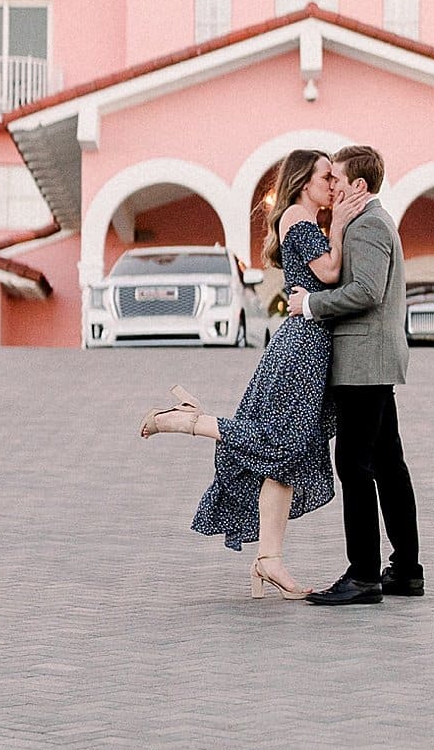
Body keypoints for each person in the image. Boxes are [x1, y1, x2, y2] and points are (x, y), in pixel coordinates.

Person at [138, 150, 357, 600]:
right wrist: (339, 225)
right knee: (282, 442)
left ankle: (269, 561)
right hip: (301, 348)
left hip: (308, 346)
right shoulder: (299, 216)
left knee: (286, 456)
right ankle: (185, 421)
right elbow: (330, 272)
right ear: (302, 181)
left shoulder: (303, 220)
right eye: (325, 176)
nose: (331, 184)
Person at [287, 145, 423, 605]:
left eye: (338, 180)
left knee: (354, 466)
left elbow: (365, 291)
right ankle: (406, 570)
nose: (334, 188)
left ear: (358, 186)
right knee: (388, 466)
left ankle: (364, 574)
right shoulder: (375, 222)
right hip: (373, 360)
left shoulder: (367, 225)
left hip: (363, 362)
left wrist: (309, 304)